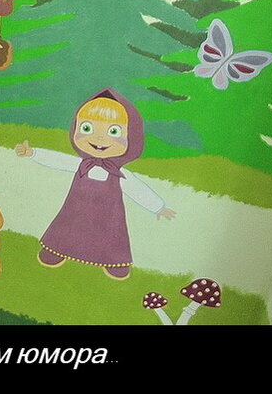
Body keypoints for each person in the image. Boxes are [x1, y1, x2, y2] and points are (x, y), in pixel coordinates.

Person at [14, 88, 175, 280]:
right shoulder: (81, 164)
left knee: (111, 236)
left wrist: (158, 207)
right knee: (66, 228)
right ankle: (56, 250)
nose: (99, 138)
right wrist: (32, 153)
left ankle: (115, 262)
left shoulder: (119, 174)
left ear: (131, 137)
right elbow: (57, 160)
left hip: (108, 218)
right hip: (75, 212)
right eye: (87, 128)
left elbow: (137, 189)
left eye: (113, 131)